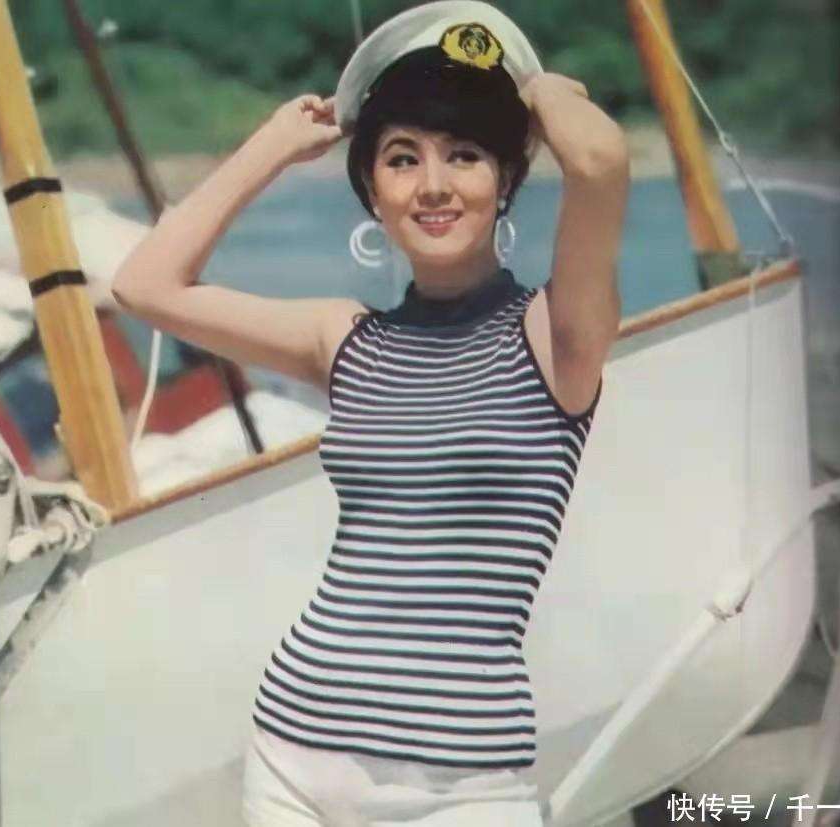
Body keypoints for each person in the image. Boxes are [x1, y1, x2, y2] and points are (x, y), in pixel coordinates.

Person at [112, 2, 629, 823]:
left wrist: (537, 92)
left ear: (505, 181)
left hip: (464, 786)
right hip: (293, 757)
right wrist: (272, 147)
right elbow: (145, 285)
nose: (433, 185)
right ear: (372, 192)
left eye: (465, 155)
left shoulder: (554, 335)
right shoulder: (347, 341)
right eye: (401, 159)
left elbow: (598, 162)